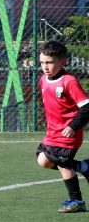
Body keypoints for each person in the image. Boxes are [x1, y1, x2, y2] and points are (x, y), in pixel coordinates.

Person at [35, 40, 89, 213]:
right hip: (52, 133)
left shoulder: (69, 81)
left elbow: (87, 108)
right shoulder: (43, 79)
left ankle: (76, 201)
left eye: (49, 62)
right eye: (42, 62)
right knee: (43, 160)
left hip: (68, 134)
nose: (45, 66)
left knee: (63, 164)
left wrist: (73, 126)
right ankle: (84, 167)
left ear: (62, 62)